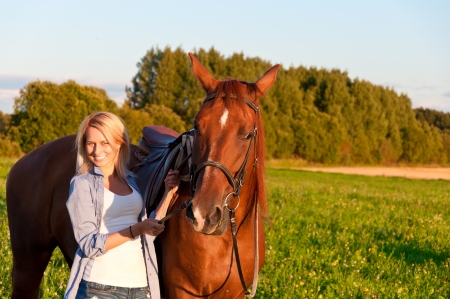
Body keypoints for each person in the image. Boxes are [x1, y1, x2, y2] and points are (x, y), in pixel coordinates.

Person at [64, 112, 179, 299]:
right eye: (90, 143)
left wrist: (168, 193)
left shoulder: (130, 182)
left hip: (141, 286)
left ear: (119, 143)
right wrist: (136, 229)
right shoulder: (82, 184)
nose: (96, 150)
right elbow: (88, 245)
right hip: (100, 286)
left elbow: (147, 232)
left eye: (104, 142)